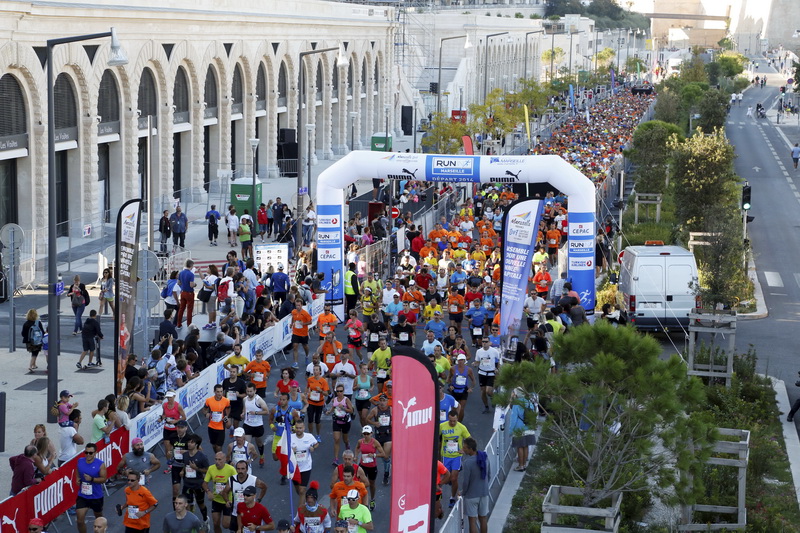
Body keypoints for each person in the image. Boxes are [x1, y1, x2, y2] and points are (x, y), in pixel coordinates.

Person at [440, 410, 471, 508]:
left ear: (457, 419)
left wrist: (464, 450)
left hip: (456, 456)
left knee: (453, 478)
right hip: (445, 456)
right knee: (445, 478)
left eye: (454, 421)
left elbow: (470, 439)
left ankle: (452, 498)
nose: (452, 423)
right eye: (450, 421)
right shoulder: (442, 426)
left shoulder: (461, 428)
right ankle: (437, 496)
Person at [74, 442, 107, 533]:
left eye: (90, 453)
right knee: (80, 521)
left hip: (96, 496)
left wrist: (92, 479)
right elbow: (77, 469)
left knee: (99, 519)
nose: (88, 455)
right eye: (86, 452)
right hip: (83, 495)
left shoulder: (100, 464)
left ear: (95, 453)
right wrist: (77, 478)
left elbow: (103, 479)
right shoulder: (80, 461)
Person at [460, 437, 490, 533]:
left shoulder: (468, 462)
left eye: (465, 448)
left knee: (472, 522)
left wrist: (463, 493)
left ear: (470, 449)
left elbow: (466, 482)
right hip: (484, 493)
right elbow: (489, 475)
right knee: (483, 519)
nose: (463, 449)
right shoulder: (485, 457)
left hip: (471, 496)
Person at [230, 461, 269, 532]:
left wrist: (259, 500)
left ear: (247, 470)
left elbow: (264, 487)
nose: (240, 471)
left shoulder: (253, 480)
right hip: (236, 512)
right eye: (238, 469)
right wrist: (227, 500)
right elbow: (225, 491)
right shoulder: (231, 479)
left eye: (242, 469)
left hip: (249, 513)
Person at [203, 451, 237, 533]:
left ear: (225, 460)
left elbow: (237, 484)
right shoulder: (211, 468)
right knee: (215, 523)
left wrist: (226, 491)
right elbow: (204, 483)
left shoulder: (231, 469)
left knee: (226, 525)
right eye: (216, 459)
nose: (217, 462)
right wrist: (208, 492)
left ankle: (235, 527)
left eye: (220, 460)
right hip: (216, 500)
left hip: (228, 501)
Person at [354, 426, 385, 510]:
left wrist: (374, 455)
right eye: (364, 434)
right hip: (362, 466)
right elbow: (357, 448)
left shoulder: (375, 442)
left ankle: (372, 499)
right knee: (360, 483)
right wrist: (356, 456)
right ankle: (359, 500)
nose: (366, 435)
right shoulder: (360, 441)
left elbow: (383, 454)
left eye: (368, 434)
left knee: (371, 484)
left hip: (372, 466)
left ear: (371, 433)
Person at [181, 434, 210, 522]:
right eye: (188, 442)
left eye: (192, 442)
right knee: (186, 504)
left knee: (200, 504)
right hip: (187, 483)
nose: (189, 444)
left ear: (196, 445)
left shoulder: (202, 457)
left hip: (198, 484)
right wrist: (182, 471)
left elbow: (208, 470)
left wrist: (196, 468)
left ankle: (205, 519)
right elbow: (185, 465)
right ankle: (190, 522)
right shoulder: (185, 455)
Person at [508, 388, 537, 471]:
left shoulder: (516, 404)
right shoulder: (529, 402)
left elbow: (513, 419)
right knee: (526, 446)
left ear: (516, 394)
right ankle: (524, 465)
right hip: (529, 427)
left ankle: (520, 466)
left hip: (519, 429)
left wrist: (511, 431)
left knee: (520, 447)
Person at [327, 384, 354, 466]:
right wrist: (329, 412)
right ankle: (336, 459)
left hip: (345, 422)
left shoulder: (346, 400)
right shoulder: (334, 399)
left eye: (341, 391)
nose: (339, 393)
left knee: (345, 439)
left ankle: (347, 444)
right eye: (337, 391)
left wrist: (343, 408)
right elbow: (333, 408)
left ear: (343, 391)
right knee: (336, 439)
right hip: (337, 421)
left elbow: (351, 411)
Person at [474, 338, 500, 413]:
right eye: (483, 342)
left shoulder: (494, 351)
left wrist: (498, 369)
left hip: (491, 373)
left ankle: (493, 397)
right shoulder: (479, 351)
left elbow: (498, 360)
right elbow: (478, 361)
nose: (484, 343)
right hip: (482, 373)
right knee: (483, 392)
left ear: (489, 343)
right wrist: (475, 364)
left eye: (486, 342)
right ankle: (486, 406)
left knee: (488, 391)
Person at [204, 384, 232, 453]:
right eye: (218, 392)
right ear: (214, 392)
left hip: (221, 427)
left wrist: (227, 416)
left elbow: (228, 408)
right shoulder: (209, 400)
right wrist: (206, 414)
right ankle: (217, 457)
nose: (220, 393)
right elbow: (204, 409)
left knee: (218, 446)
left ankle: (220, 459)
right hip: (211, 426)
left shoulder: (226, 400)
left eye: (221, 391)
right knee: (214, 445)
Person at [22, 308, 45, 373]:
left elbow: (23, 333)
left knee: (33, 352)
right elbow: (42, 332)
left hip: (29, 341)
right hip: (37, 340)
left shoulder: (26, 323)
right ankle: (30, 366)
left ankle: (34, 365)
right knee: (35, 353)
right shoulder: (38, 323)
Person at [291, 299, 313, 368]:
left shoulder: (305, 313)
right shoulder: (293, 311)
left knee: (305, 346)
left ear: (301, 305)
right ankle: (295, 362)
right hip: (295, 332)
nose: (297, 307)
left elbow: (310, 322)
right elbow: (293, 318)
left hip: (303, 333)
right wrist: (292, 324)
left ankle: (306, 356)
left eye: (299, 305)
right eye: (296, 305)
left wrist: (303, 323)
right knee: (295, 346)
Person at [176, 259, 197, 328]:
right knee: (189, 309)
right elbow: (191, 285)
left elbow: (178, 283)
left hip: (183, 292)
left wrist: (182, 286)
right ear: (191, 265)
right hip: (189, 292)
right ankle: (189, 324)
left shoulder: (181, 273)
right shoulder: (191, 274)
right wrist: (195, 284)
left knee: (181, 308)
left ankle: (179, 323)